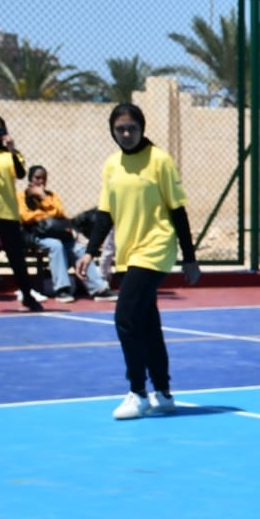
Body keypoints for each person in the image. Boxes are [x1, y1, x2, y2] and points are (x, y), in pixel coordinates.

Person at [75, 103, 202, 420]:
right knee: (147, 323)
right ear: (112, 131)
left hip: (156, 247)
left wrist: (189, 258)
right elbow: (105, 214)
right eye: (120, 129)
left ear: (142, 128)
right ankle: (164, 393)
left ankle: (138, 393)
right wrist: (90, 251)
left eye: (131, 128)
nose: (126, 134)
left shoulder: (160, 160)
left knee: (126, 318)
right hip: (128, 252)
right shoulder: (111, 164)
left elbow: (178, 211)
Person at [0, 114, 46, 313]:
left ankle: (28, 297)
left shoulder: (11, 154)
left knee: (16, 256)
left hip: (7, 211)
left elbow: (21, 173)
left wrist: (12, 148)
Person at [21, 166, 113, 302]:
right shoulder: (21, 196)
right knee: (56, 245)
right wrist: (47, 214)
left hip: (57, 234)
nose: (41, 181)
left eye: (44, 178)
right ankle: (62, 289)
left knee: (79, 249)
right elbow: (25, 216)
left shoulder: (51, 196)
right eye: (37, 178)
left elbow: (60, 212)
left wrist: (43, 197)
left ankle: (98, 288)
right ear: (30, 179)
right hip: (36, 236)